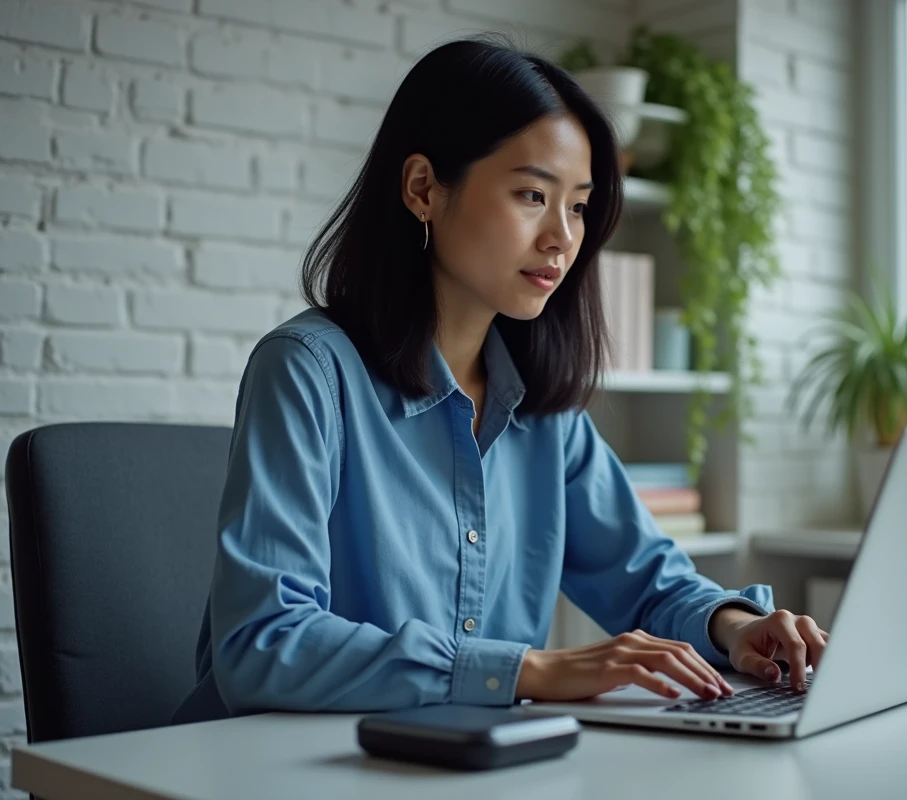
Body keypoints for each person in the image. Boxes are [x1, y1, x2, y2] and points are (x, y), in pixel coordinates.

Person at [172, 36, 827, 725]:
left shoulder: (545, 411)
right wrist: (527, 670)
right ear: (423, 188)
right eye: (531, 194)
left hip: (452, 764)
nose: (561, 237)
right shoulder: (307, 371)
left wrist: (732, 625)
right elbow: (262, 644)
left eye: (577, 206)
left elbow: (645, 579)